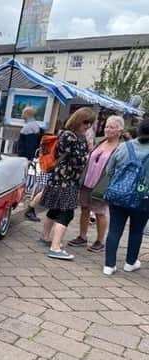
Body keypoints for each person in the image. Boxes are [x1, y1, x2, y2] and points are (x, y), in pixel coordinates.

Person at [40, 107, 94, 260]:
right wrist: (87, 154)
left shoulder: (64, 133)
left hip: (58, 178)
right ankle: (55, 247)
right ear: (78, 120)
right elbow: (77, 161)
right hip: (67, 180)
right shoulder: (72, 137)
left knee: (55, 209)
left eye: (90, 123)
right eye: (86, 122)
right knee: (67, 212)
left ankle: (45, 237)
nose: (87, 126)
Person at [67, 115, 123, 253]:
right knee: (84, 208)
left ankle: (99, 241)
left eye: (111, 127)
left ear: (119, 130)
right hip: (87, 181)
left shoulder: (121, 148)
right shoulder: (100, 141)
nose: (107, 129)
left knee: (100, 212)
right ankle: (82, 236)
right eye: (106, 126)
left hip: (102, 184)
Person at [103, 118, 149, 275]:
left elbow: (109, 170)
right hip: (143, 199)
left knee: (114, 230)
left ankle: (109, 265)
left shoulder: (123, 147)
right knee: (136, 230)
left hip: (118, 195)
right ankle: (130, 263)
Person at [18, 107, 43, 222]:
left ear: (27, 114)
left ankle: (21, 198)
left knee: (23, 177)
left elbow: (28, 145)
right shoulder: (35, 126)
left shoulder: (29, 127)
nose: (22, 114)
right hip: (30, 157)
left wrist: (27, 158)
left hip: (25, 158)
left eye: (23, 112)